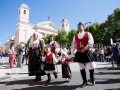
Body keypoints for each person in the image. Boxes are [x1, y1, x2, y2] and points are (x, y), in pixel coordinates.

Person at [71, 22, 96, 88]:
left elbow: (91, 41)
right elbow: (73, 45)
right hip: (79, 53)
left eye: (80, 26)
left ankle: (92, 78)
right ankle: (85, 81)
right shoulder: (75, 36)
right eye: (78, 26)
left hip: (87, 51)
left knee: (91, 66)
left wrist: (85, 48)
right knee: (81, 68)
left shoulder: (88, 34)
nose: (79, 27)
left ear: (83, 27)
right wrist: (73, 55)